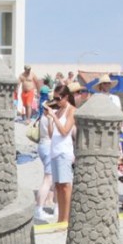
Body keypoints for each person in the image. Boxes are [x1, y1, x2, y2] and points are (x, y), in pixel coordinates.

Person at [42, 85, 75, 224]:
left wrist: (54, 116)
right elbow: (51, 134)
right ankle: (61, 217)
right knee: (58, 187)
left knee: (66, 186)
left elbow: (65, 131)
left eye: (58, 98)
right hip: (55, 151)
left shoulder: (71, 110)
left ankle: (66, 219)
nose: (56, 101)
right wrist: (49, 118)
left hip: (64, 152)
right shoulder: (59, 110)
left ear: (66, 97)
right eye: (54, 98)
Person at [34, 99, 54, 221]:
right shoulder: (49, 118)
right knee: (48, 179)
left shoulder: (42, 116)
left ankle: (48, 201)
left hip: (42, 145)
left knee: (50, 178)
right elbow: (52, 134)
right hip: (48, 146)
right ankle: (39, 208)